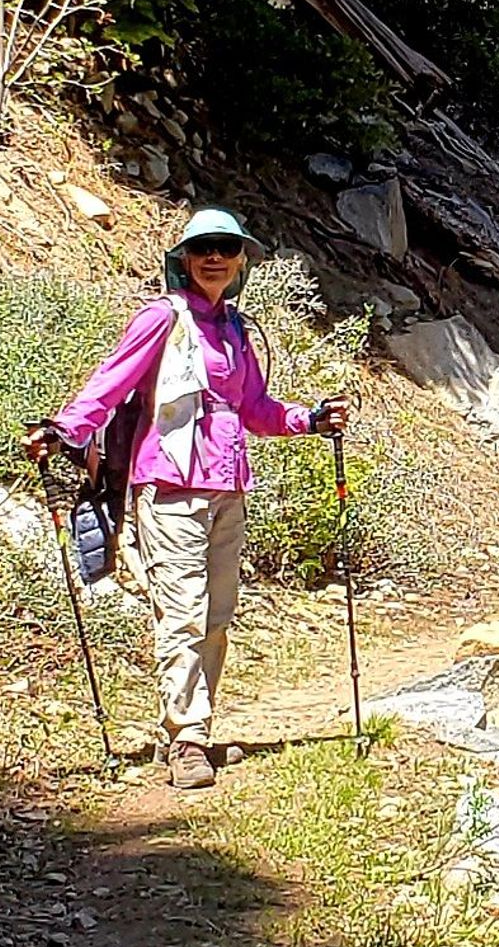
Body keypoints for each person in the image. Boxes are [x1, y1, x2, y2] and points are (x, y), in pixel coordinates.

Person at [40, 208, 342, 788]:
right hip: (169, 485)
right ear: (183, 257)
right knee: (183, 613)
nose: (214, 257)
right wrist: (64, 430)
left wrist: (310, 419)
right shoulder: (162, 318)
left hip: (227, 488)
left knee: (218, 617)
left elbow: (255, 409)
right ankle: (188, 737)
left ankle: (185, 727)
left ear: (240, 260)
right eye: (203, 247)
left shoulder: (236, 331)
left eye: (226, 248)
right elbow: (112, 381)